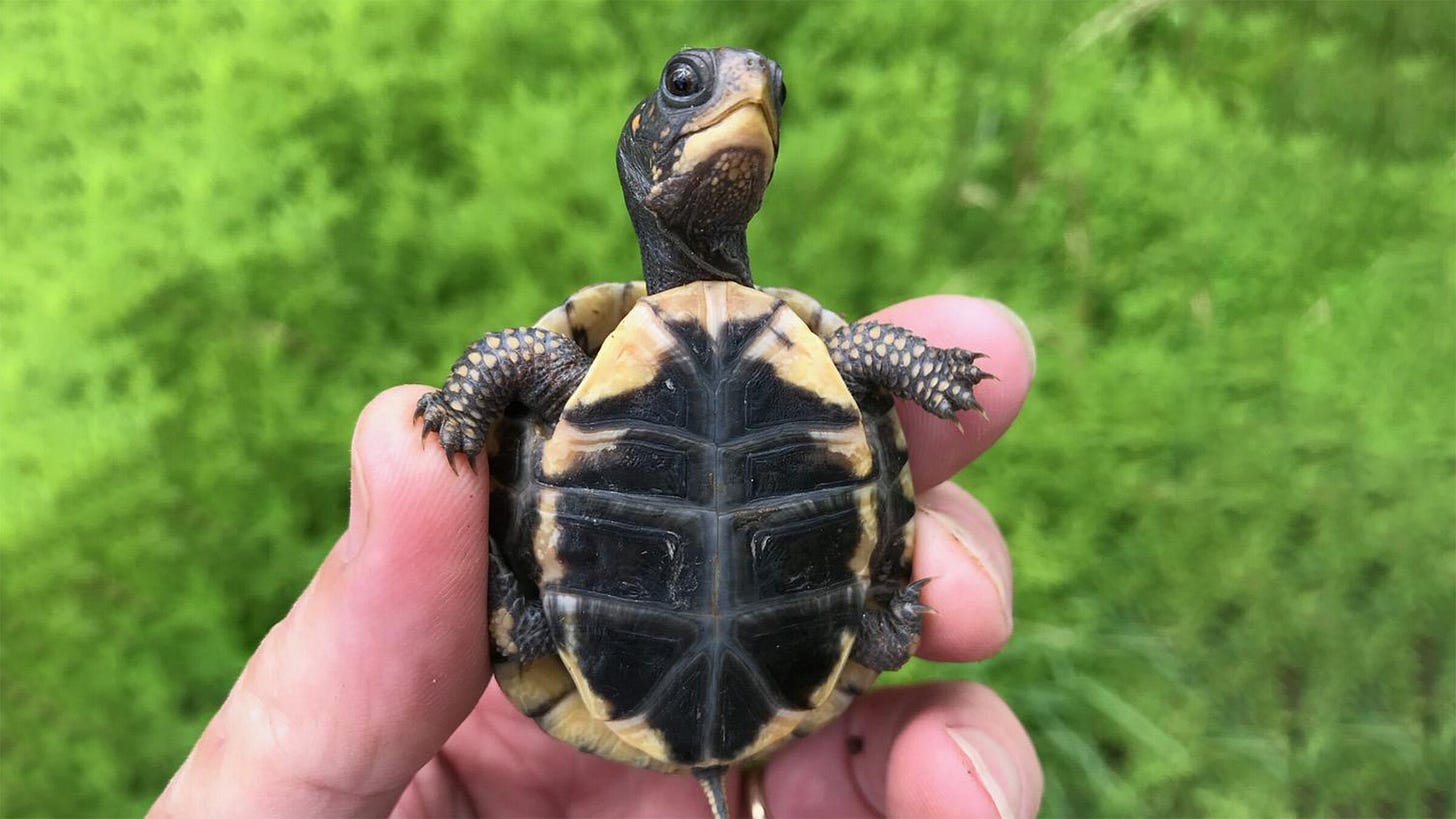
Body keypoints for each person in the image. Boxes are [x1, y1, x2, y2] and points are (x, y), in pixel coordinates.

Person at [149, 295, 1043, 819]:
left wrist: (466, 413)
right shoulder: (818, 356)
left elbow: (524, 361)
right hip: (792, 662)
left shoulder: (570, 369)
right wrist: (924, 376)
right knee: (889, 626)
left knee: (887, 627)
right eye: (688, 88)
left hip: (639, 647)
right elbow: (859, 365)